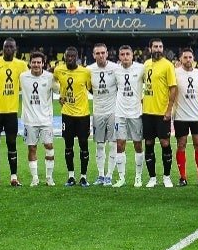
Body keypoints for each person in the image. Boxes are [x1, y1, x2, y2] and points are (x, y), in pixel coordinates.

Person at [0, 38, 28, 187]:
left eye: (11, 47)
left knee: (11, 143)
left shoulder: (21, 65)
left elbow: (27, 82)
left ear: (16, 49)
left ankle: (14, 177)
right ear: (3, 48)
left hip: (11, 111)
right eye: (6, 47)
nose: (8, 49)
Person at [54, 46, 93, 187]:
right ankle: (71, 176)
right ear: (64, 57)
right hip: (67, 114)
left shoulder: (85, 72)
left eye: (72, 56)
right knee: (68, 145)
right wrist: (60, 95)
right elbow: (53, 82)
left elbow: (91, 89)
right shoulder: (58, 70)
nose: (69, 58)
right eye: (67, 56)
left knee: (83, 145)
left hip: (83, 115)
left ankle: (83, 176)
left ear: (77, 57)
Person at [142, 38, 178, 188]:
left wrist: (169, 109)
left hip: (162, 112)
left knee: (165, 143)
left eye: (160, 46)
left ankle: (167, 176)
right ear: (150, 48)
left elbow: (173, 88)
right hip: (147, 112)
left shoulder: (168, 65)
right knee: (149, 143)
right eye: (155, 46)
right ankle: (152, 178)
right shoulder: (146, 64)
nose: (158, 49)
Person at [20, 51, 58, 187]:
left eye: (39, 62)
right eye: (34, 62)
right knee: (32, 148)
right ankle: (35, 178)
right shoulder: (23, 77)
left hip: (46, 120)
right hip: (29, 120)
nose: (36, 65)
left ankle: (49, 177)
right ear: (30, 63)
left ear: (43, 64)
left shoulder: (50, 77)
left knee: (49, 147)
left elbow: (60, 91)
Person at [87, 43, 121, 187]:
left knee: (113, 144)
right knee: (100, 145)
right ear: (93, 55)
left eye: (103, 53)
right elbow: (84, 87)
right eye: (97, 53)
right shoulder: (88, 70)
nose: (100, 56)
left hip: (113, 111)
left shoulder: (115, 68)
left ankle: (109, 176)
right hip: (98, 112)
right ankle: (100, 174)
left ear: (107, 53)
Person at [112, 44, 145, 188]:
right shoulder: (115, 70)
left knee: (138, 145)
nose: (125, 57)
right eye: (122, 54)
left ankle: (138, 177)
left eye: (128, 54)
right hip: (120, 114)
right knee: (120, 145)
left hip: (136, 113)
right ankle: (121, 178)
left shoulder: (141, 68)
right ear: (119, 56)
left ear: (132, 56)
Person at [173, 48, 198, 186]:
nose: (188, 60)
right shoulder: (175, 73)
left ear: (194, 59)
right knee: (181, 144)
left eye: (190, 57)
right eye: (185, 57)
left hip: (197, 115)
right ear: (180, 59)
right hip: (180, 115)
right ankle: (182, 177)